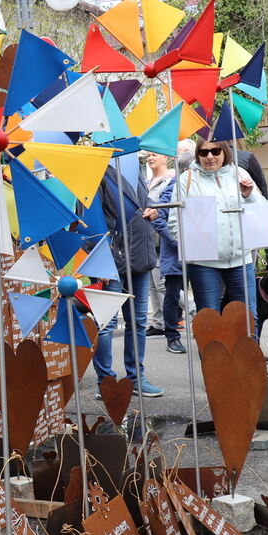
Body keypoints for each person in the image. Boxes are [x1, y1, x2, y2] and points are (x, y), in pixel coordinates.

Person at [169, 138, 263, 332]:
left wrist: (249, 195)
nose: (210, 156)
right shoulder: (186, 180)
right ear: (197, 155)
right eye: (204, 152)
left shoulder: (239, 174)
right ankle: (214, 354)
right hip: (204, 264)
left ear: (225, 152)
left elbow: (259, 211)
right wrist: (192, 245)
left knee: (247, 318)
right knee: (209, 319)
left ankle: (247, 353)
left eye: (215, 151)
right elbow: (174, 222)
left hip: (240, 260)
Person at [92, 159, 164, 398]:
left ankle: (136, 379)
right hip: (111, 261)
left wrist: (152, 209)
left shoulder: (133, 167)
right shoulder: (99, 169)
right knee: (106, 324)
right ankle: (106, 382)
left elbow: (144, 202)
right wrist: (101, 259)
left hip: (140, 257)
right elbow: (91, 221)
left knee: (138, 322)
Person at [145, 152, 175, 340]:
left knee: (162, 284)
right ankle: (159, 322)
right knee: (153, 285)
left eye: (154, 154)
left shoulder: (170, 180)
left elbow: (165, 209)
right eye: (148, 155)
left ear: (165, 157)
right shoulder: (147, 182)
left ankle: (192, 311)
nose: (150, 158)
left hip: (162, 238)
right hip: (147, 238)